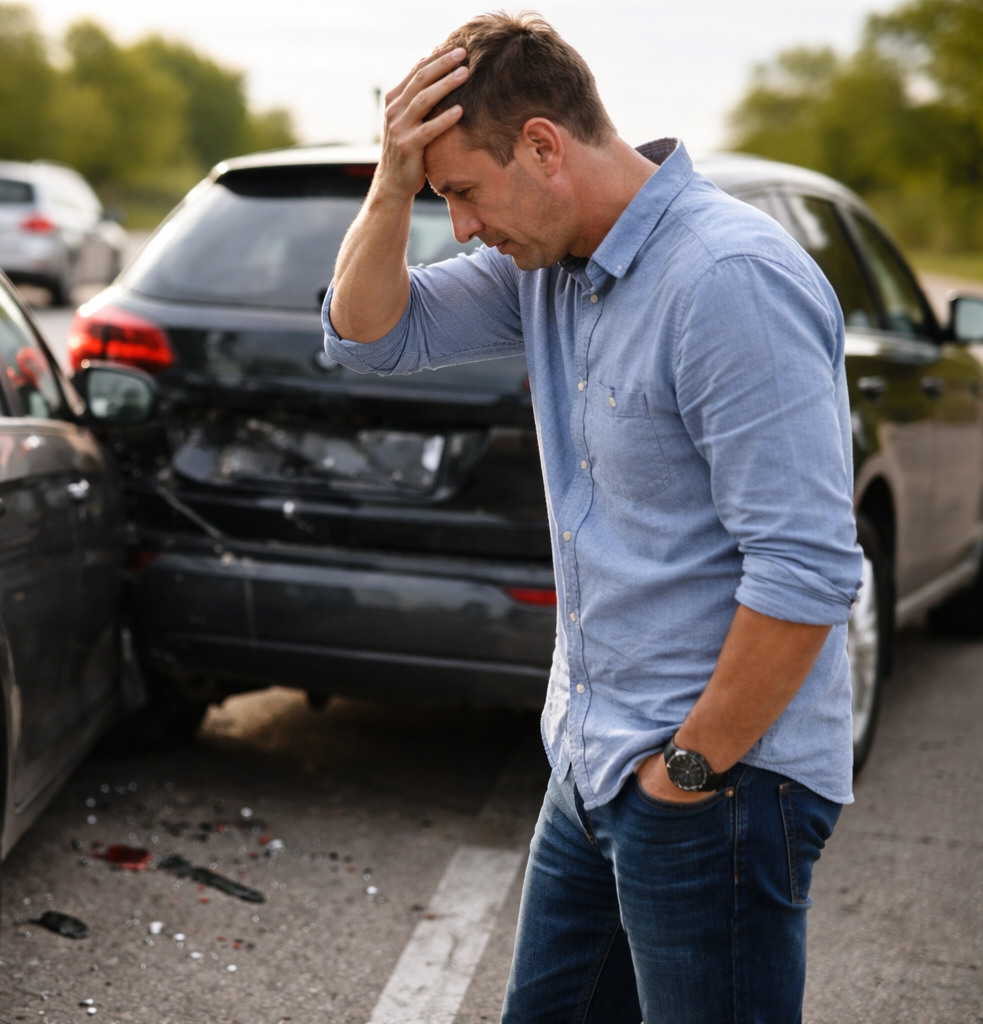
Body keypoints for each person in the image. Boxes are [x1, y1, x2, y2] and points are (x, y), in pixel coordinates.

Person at [324, 12, 863, 1023]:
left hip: (719, 784)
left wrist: (688, 771)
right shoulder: (549, 269)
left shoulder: (727, 280)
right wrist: (394, 180)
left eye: (463, 193)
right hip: (593, 759)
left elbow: (805, 569)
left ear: (542, 145)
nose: (465, 229)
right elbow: (368, 337)